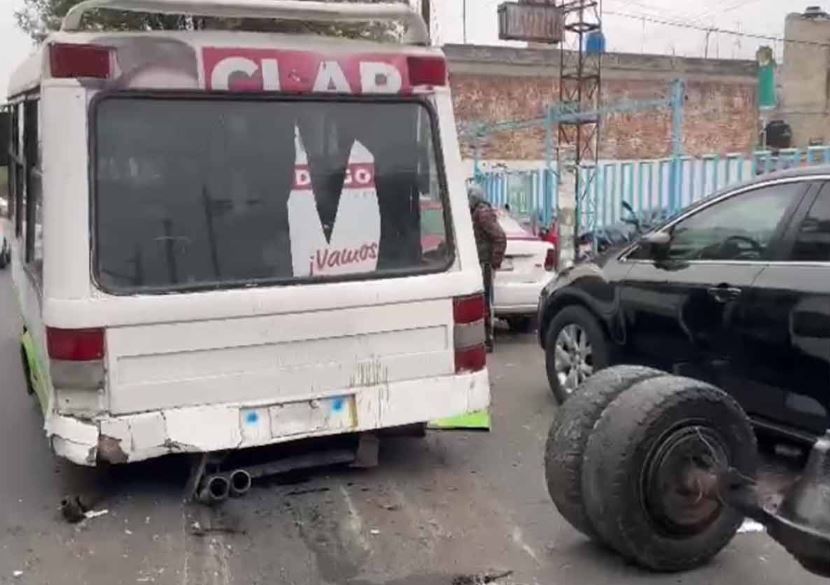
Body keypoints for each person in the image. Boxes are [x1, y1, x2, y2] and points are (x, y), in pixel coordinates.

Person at [468, 184, 506, 352]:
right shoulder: (478, 212)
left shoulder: (482, 213)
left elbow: (500, 237)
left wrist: (494, 262)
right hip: (480, 263)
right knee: (481, 302)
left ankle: (487, 340)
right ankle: (483, 339)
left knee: (484, 303)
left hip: (484, 263)